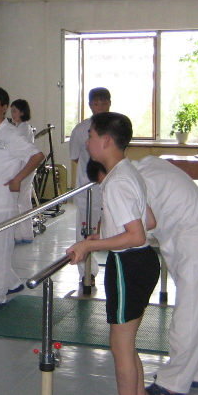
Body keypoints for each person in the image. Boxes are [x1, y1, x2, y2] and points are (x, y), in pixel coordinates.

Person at [65, 112, 160, 395]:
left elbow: (135, 235)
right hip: (145, 263)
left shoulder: (116, 182)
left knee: (120, 347)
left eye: (90, 136)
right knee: (128, 345)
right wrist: (101, 237)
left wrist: (90, 245)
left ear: (106, 141)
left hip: (128, 266)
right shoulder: (129, 172)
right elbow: (148, 221)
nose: (87, 142)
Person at [133, 156, 198, 395]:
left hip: (196, 247)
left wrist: (98, 240)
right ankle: (196, 371)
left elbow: (138, 228)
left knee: (188, 316)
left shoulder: (141, 181)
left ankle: (173, 382)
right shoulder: (149, 164)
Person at [0, 88, 44, 311]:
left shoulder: (13, 134)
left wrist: (18, 179)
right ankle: (11, 282)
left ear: (4, 107)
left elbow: (37, 155)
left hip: (3, 200)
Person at [69, 87, 111, 288]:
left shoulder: (116, 126)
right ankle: (87, 271)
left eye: (104, 103)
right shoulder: (80, 129)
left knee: (114, 226)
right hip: (88, 187)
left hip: (112, 186)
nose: (101, 107)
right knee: (87, 228)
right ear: (90, 105)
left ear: (110, 103)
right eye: (97, 103)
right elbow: (75, 157)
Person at [9, 98, 37, 243]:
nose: (12, 114)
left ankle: (18, 235)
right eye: (11, 111)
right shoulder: (21, 127)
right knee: (24, 200)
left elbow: (18, 151)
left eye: (15, 111)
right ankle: (26, 234)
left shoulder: (22, 129)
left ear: (22, 112)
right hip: (25, 168)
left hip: (23, 168)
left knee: (18, 201)